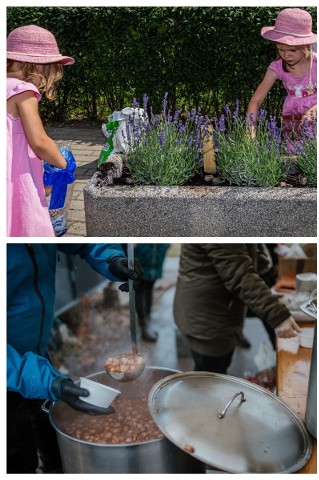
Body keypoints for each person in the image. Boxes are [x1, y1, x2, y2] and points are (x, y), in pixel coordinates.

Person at [7, 244, 141, 473]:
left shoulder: (38, 213)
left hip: (35, 358)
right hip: (13, 370)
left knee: (50, 435)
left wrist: (110, 258)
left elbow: (78, 239)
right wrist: (48, 382)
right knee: (19, 459)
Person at [173, 244, 301, 375]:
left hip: (215, 309)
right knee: (209, 378)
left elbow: (237, 253)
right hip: (207, 317)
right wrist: (278, 315)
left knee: (216, 371)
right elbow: (240, 275)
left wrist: (259, 261)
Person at [7, 25, 75, 237]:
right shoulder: (22, 90)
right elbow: (39, 141)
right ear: (37, 67)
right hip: (13, 173)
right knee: (20, 215)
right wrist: (63, 163)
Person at [247, 8, 317, 136]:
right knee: (297, 155)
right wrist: (249, 134)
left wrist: (314, 111)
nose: (286, 55)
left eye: (292, 50)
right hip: (292, 120)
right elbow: (255, 101)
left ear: (306, 46)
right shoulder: (277, 67)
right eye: (281, 49)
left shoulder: (318, 64)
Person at [134, 243, 171, 342]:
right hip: (142, 252)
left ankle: (147, 322)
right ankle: (144, 325)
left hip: (157, 253)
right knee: (140, 288)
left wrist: (166, 245)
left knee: (149, 288)